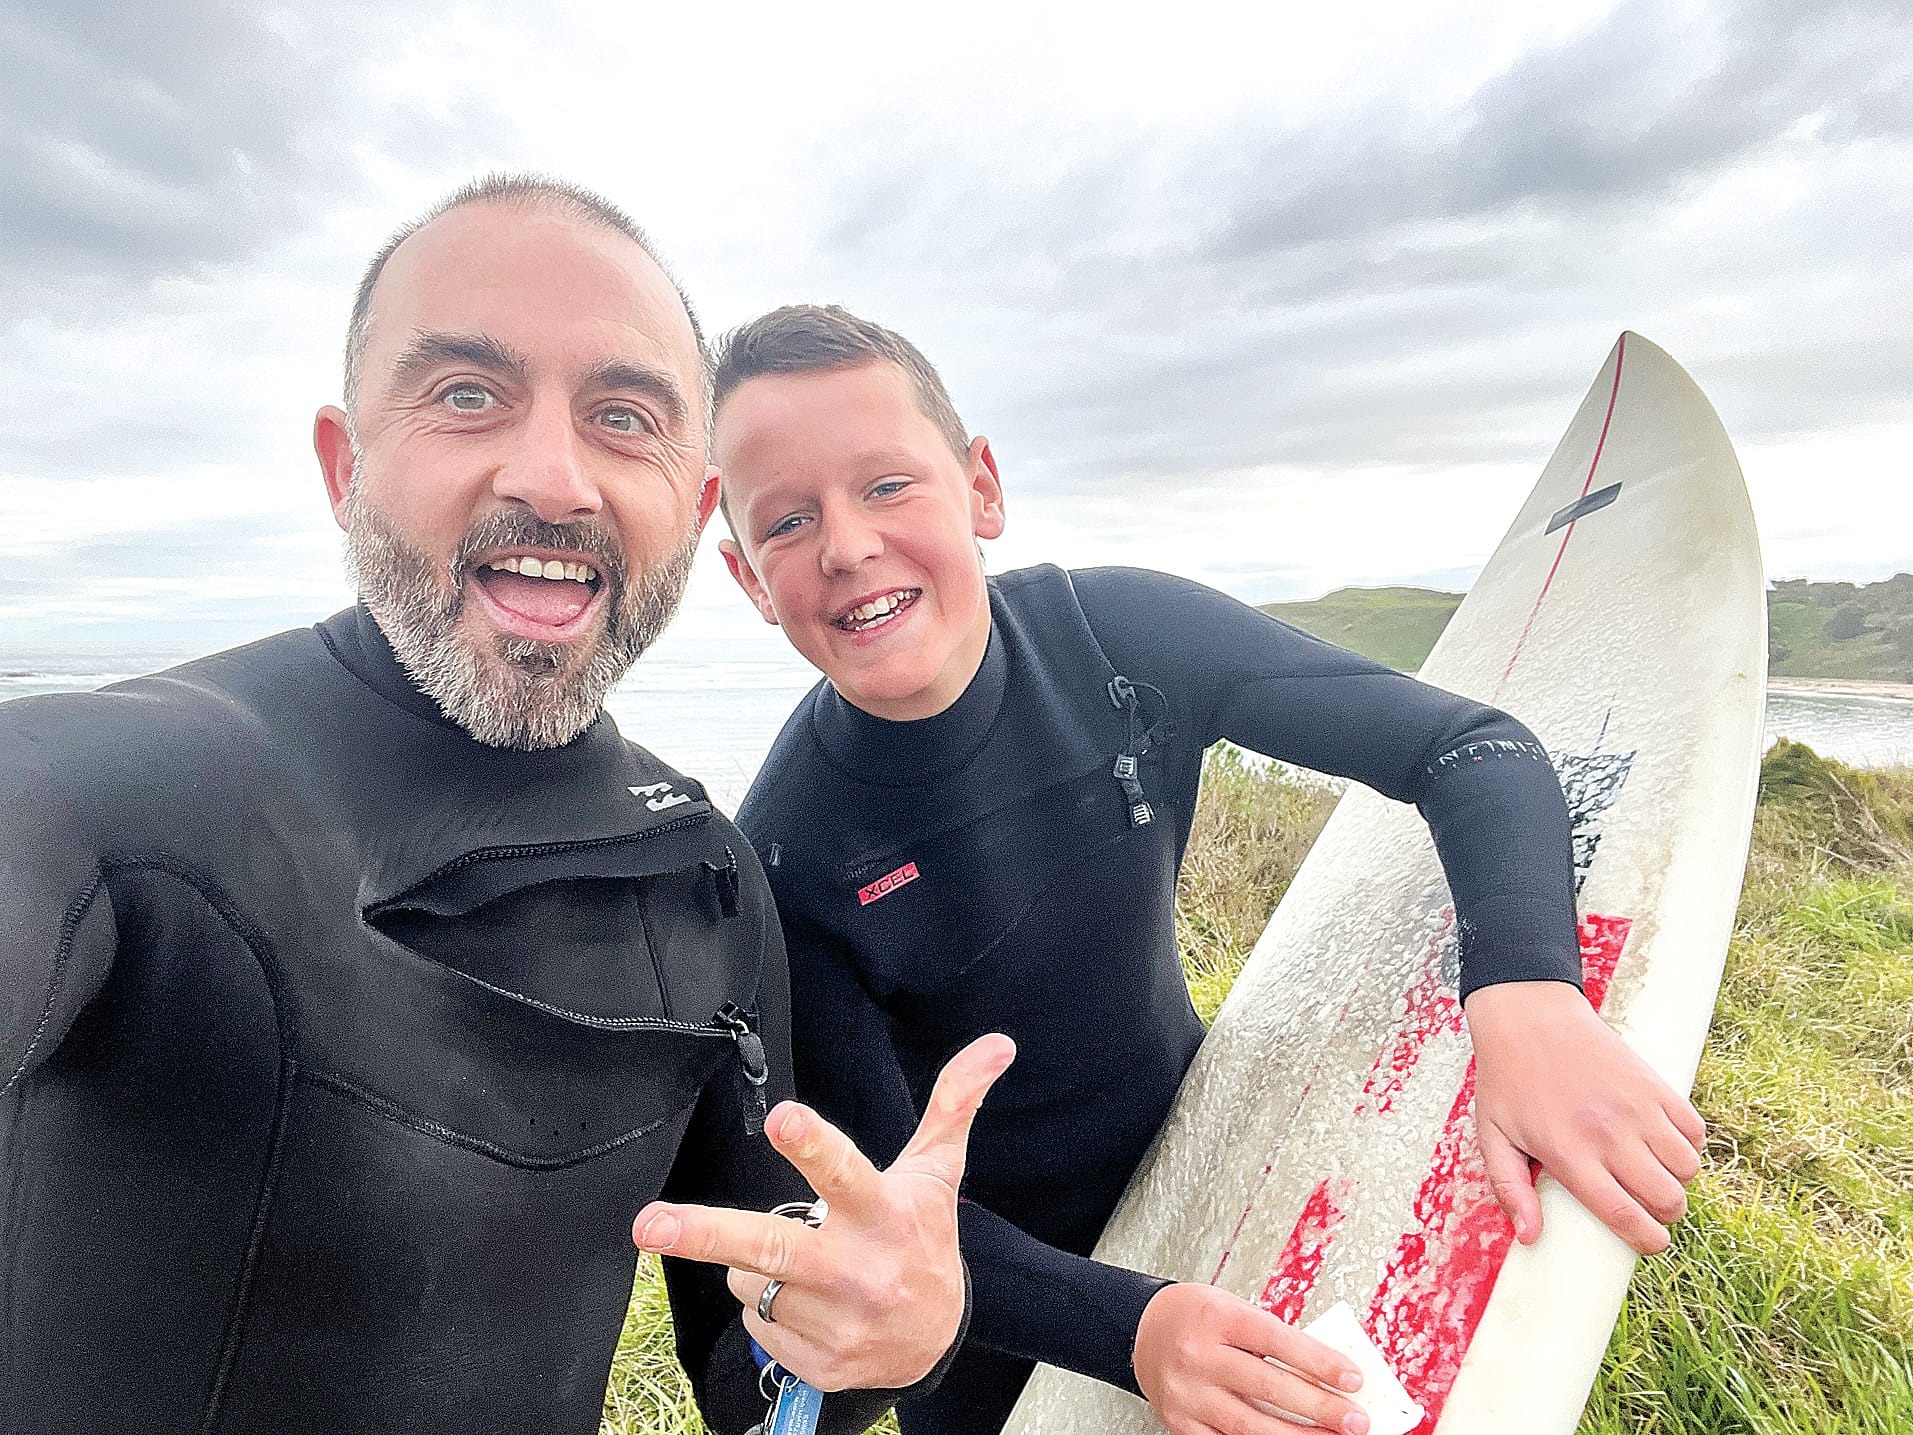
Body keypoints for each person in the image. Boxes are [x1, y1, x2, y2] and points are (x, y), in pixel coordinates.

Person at [0, 180, 1014, 1435]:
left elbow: (750, 1397)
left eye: (623, 416)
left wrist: (877, 1345)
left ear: (694, 515)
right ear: (343, 463)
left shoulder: (705, 877)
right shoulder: (114, 790)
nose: (553, 478)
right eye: (466, 394)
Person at [709, 306, 1711, 1435]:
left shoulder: (1116, 634)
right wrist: (1129, 1327)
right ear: (748, 578)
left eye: (886, 485)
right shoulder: (788, 856)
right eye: (788, 521)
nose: (844, 544)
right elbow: (888, 1221)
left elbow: (1468, 746)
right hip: (1012, 1335)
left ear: (980, 485)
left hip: (1225, 1172)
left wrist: (1526, 988)